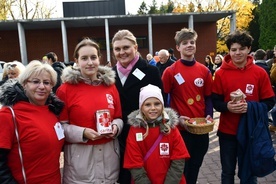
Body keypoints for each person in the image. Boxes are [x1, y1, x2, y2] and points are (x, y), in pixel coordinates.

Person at [56, 38, 123, 183]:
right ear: (77, 60)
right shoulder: (65, 90)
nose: (90, 62)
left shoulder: (110, 86)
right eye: (84, 58)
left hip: (109, 157)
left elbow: (118, 117)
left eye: (93, 57)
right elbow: (60, 126)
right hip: (80, 161)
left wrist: (116, 127)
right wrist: (83, 133)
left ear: (99, 58)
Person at [212, 30, 275, 183]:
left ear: (248, 49)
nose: (237, 53)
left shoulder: (259, 73)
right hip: (228, 132)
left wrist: (250, 107)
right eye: (233, 49)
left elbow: (269, 102)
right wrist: (228, 107)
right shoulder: (220, 73)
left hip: (251, 132)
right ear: (229, 51)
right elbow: (216, 102)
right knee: (227, 173)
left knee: (249, 173)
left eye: (241, 49)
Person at [111, 29, 164, 184]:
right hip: (118, 134)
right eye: (117, 49)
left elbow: (160, 104)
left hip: (144, 133)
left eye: (126, 47)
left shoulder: (151, 72)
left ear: (135, 47)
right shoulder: (109, 74)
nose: (122, 52)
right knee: (123, 176)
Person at [162, 27, 213, 184]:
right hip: (180, 131)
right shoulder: (170, 72)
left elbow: (208, 98)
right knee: (180, 169)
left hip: (200, 129)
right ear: (178, 47)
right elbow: (163, 102)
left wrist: (209, 115)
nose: (189, 45)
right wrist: (175, 119)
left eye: (192, 42)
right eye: (185, 43)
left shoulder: (204, 71)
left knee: (195, 167)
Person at [0, 60, 64, 183]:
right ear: (24, 84)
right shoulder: (8, 115)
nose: (41, 86)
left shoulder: (52, 112)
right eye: (35, 82)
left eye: (47, 82)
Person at [124, 84, 190, 184]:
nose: (153, 108)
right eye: (147, 105)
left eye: (157, 104)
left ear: (162, 106)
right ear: (141, 107)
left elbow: (179, 159)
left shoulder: (171, 128)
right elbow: (134, 163)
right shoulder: (135, 130)